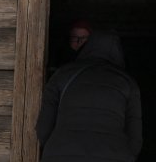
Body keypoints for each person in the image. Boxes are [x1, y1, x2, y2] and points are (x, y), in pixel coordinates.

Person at [36, 31, 143, 162]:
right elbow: (135, 138)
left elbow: (43, 129)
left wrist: (57, 147)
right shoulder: (128, 83)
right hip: (113, 154)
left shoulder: (61, 75)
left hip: (61, 153)